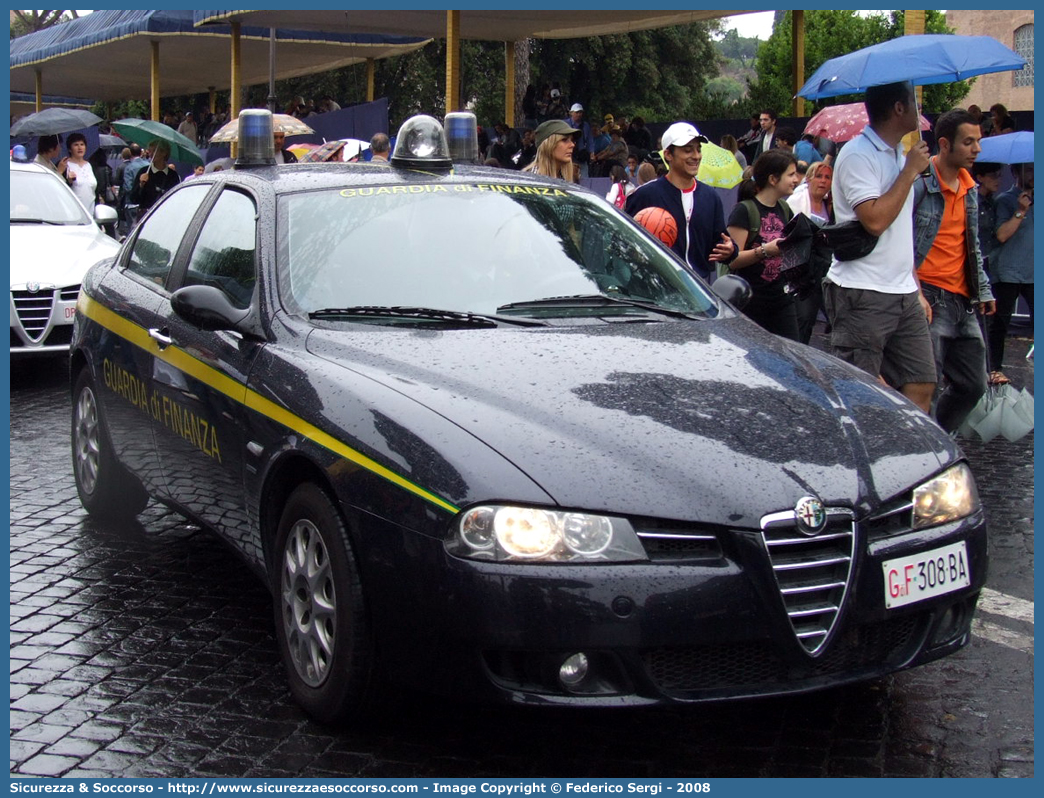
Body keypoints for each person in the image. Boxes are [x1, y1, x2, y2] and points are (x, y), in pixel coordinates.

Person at [822, 80, 935, 413]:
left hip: (902, 292)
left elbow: (901, 231)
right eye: (914, 103)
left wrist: (915, 287)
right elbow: (874, 220)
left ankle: (906, 461)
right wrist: (910, 172)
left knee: (922, 383)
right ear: (899, 108)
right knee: (857, 393)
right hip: (863, 291)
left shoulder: (899, 154)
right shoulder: (858, 154)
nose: (920, 110)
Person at [911, 109, 995, 433]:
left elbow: (971, 243)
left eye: (978, 141)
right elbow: (903, 243)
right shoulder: (920, 184)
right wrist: (915, 292)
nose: (977, 149)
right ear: (944, 144)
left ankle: (938, 441)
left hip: (964, 299)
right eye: (969, 142)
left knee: (974, 384)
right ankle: (926, 454)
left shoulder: (969, 185)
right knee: (925, 386)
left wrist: (983, 289)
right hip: (929, 295)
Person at [625, 121, 736, 281]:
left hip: (698, 293)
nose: (696, 156)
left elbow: (720, 241)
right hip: (655, 292)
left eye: (698, 149)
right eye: (687, 150)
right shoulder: (645, 195)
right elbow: (623, 243)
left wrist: (730, 250)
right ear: (668, 155)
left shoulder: (710, 196)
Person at [726, 150, 803, 340]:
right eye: (791, 174)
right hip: (751, 302)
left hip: (782, 300)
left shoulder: (785, 209)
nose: (796, 179)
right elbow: (732, 260)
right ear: (773, 179)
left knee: (792, 356)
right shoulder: (745, 211)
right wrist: (764, 251)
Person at [987, 162, 1034, 382]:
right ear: (1015, 173)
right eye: (1029, 170)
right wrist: (1021, 211)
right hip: (1008, 272)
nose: (1034, 175)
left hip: (1033, 272)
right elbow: (1002, 235)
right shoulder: (1005, 200)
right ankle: (993, 369)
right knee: (1000, 325)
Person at [787, 161, 835, 344]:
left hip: (824, 271)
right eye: (819, 176)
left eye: (827, 177)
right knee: (804, 318)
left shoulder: (831, 206)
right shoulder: (795, 201)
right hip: (803, 272)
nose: (823, 181)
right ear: (809, 179)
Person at [131, 139, 181, 212]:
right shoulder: (144, 172)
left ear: (164, 153)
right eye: (150, 151)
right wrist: (140, 185)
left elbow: (176, 198)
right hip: (146, 216)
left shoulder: (172, 175)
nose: (150, 154)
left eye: (154, 151)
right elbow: (134, 199)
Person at [971, 161, 1003, 273]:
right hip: (975, 259)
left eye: (999, 176)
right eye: (993, 176)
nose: (998, 180)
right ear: (980, 178)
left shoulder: (992, 202)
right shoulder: (972, 202)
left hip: (991, 260)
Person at [64, 133, 97, 211]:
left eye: (82, 144)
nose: (79, 148)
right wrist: (68, 181)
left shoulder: (89, 165)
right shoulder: (65, 165)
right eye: (76, 145)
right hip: (73, 210)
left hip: (90, 210)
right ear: (69, 149)